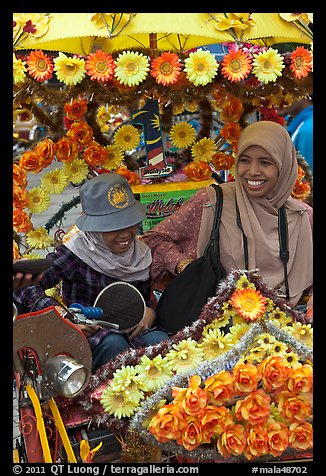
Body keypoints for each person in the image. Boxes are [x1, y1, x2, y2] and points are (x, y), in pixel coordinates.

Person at [142, 120, 313, 314]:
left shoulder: (302, 217)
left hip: (283, 329)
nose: (252, 171)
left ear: (284, 166)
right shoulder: (212, 202)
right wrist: (185, 265)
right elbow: (153, 240)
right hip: (214, 330)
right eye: (245, 160)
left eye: (265, 162)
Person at [13, 173, 169, 371]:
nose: (125, 233)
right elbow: (25, 285)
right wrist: (62, 317)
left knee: (160, 341)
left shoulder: (140, 254)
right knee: (115, 344)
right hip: (91, 339)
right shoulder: (77, 252)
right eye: (112, 226)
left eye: (129, 223)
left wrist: (149, 311)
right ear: (94, 229)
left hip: (133, 330)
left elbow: (145, 300)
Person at [276, 96, 313, 173]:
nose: (273, 97)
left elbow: (308, 181)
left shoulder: (307, 131)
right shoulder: (303, 125)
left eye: (282, 89)